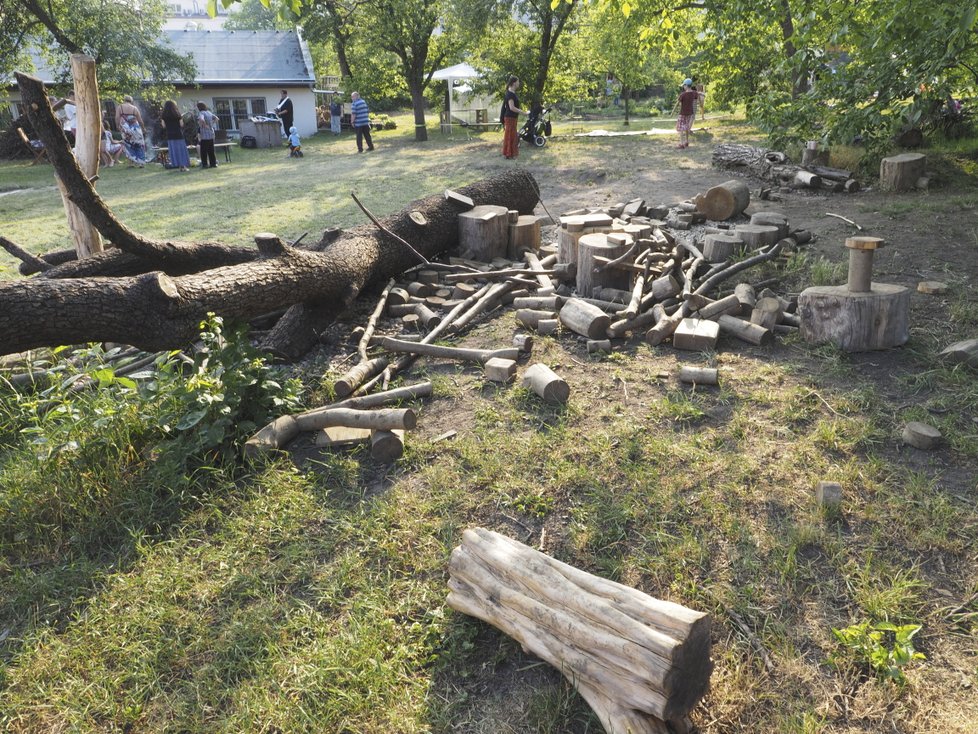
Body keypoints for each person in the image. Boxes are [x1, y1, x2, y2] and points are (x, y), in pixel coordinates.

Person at [672, 78, 705, 149]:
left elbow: (677, 104)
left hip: (683, 113)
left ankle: (681, 143)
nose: (683, 87)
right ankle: (686, 141)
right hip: (690, 113)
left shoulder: (683, 94)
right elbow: (698, 95)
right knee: (687, 127)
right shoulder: (694, 93)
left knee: (680, 128)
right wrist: (700, 104)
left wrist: (672, 112)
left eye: (684, 85)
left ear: (686, 85)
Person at [116, 95, 147, 166]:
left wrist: (117, 126)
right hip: (135, 128)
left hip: (125, 129)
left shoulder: (120, 107)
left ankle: (131, 163)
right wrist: (143, 128)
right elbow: (140, 120)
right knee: (139, 144)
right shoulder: (134, 108)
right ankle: (141, 163)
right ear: (131, 101)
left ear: (124, 100)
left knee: (128, 145)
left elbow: (117, 117)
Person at [161, 100, 191, 171]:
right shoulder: (177, 114)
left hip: (170, 135)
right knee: (181, 150)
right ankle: (183, 166)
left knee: (174, 151)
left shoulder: (164, 115)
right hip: (178, 134)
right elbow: (181, 124)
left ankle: (178, 166)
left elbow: (163, 126)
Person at [501, 75, 526, 159]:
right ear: (514, 83)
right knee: (510, 136)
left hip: (512, 118)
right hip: (510, 118)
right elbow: (511, 107)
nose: (519, 83)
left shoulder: (512, 93)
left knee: (511, 135)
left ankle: (509, 154)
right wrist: (522, 112)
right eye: (518, 82)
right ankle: (508, 154)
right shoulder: (510, 94)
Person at [195, 102, 220, 169]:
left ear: (199, 107)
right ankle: (213, 164)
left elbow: (201, 119)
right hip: (211, 134)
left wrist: (205, 125)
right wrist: (211, 124)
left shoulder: (201, 113)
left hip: (204, 135)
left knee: (203, 151)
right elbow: (217, 118)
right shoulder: (209, 112)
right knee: (211, 150)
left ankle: (205, 164)